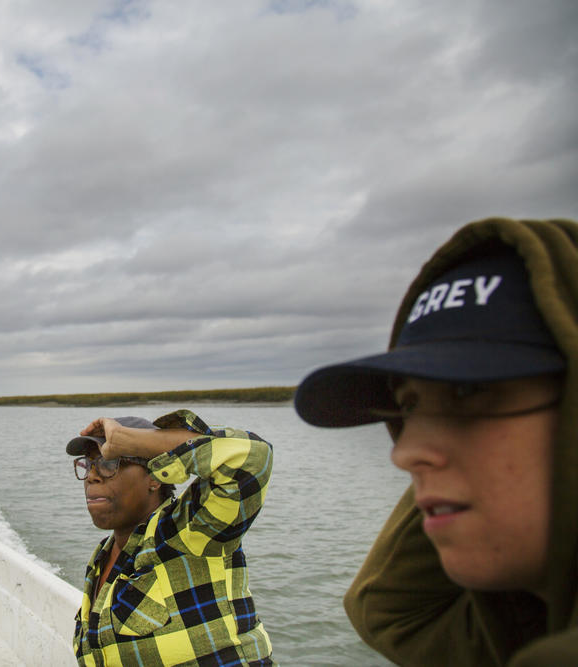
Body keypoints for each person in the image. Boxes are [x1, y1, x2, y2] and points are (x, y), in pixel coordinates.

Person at [293, 217, 578, 665]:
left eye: (469, 392)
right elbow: (390, 612)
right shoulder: (519, 623)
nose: (403, 454)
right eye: (408, 407)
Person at [68, 412, 275, 665]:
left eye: (109, 463)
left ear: (154, 477)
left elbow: (251, 457)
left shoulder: (189, 529)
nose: (92, 476)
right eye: (87, 464)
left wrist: (127, 439)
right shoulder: (102, 558)